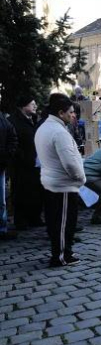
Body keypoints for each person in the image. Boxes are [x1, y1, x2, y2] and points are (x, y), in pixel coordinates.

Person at [35, 94, 86, 267]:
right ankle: (61, 255)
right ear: (60, 112)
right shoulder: (58, 131)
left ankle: (62, 252)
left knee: (55, 220)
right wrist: (81, 178)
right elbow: (70, 163)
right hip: (63, 185)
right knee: (64, 222)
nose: (73, 115)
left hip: (51, 182)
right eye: (71, 112)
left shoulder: (45, 127)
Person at [8, 96, 43, 232]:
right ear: (23, 106)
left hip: (34, 162)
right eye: (32, 104)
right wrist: (21, 156)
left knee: (35, 191)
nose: (35, 106)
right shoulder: (13, 121)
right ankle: (21, 221)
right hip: (20, 164)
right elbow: (13, 142)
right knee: (20, 192)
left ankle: (34, 218)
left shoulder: (34, 119)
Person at [0, 109, 18, 240]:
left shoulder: (3, 120)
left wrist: (6, 157)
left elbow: (12, 138)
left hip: (1, 164)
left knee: (1, 200)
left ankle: (2, 228)